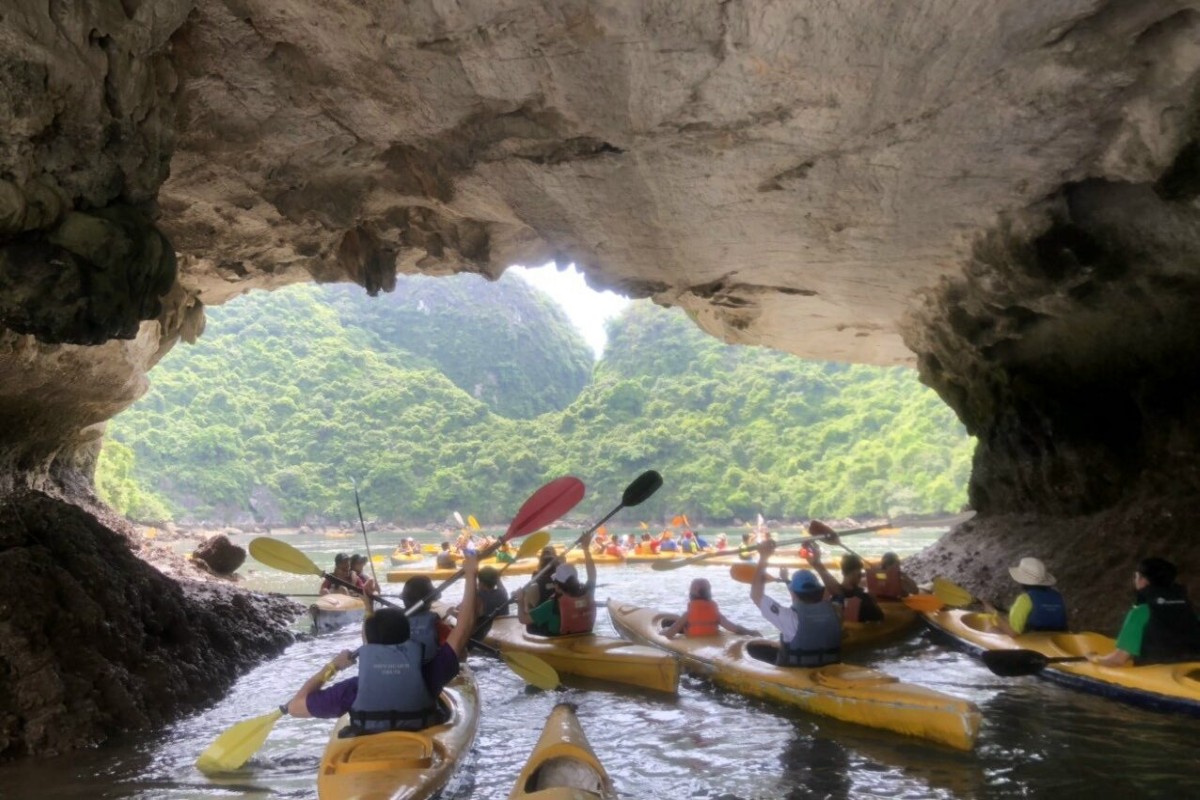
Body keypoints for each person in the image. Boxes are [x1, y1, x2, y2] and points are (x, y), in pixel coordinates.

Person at [284, 555, 478, 733]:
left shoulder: (354, 689)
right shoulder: (432, 674)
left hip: (367, 751)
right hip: (420, 748)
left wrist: (333, 667)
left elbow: (294, 706)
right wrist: (471, 575)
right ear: (408, 638)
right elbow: (463, 628)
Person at [1091, 557, 1200, 666]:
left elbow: (1117, 660)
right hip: (1192, 672)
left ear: (1143, 581)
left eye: (1136, 576)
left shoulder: (1141, 613)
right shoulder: (1191, 609)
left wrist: (1095, 659)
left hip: (1157, 675)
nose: (1135, 580)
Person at [751, 540, 842, 666]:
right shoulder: (836, 610)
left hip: (798, 672)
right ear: (820, 591)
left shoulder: (790, 618)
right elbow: (838, 592)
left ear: (793, 593)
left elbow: (756, 595)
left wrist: (763, 558)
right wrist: (817, 564)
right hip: (830, 670)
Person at [519, 534, 597, 636]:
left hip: (561, 644)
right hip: (585, 638)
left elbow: (523, 619)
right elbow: (592, 575)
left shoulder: (552, 605)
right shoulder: (588, 592)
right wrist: (586, 549)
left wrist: (520, 601)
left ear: (558, 587)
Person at [983, 557, 1068, 636]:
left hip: (1031, 642)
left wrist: (992, 613)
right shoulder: (1058, 597)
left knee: (991, 629)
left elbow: (1012, 632)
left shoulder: (1025, 599)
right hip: (1055, 640)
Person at [662, 578, 760, 638]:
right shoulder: (715, 614)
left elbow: (670, 634)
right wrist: (751, 632)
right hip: (712, 640)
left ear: (692, 593)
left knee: (665, 629)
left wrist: (664, 631)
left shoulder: (688, 614)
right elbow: (733, 628)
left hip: (692, 644)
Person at [808, 548, 885, 623]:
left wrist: (818, 565)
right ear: (858, 574)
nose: (860, 577)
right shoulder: (863, 598)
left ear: (843, 573)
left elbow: (839, 591)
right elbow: (880, 618)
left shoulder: (831, 594)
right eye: (860, 574)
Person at [401, 576, 448, 663]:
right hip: (430, 670)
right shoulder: (438, 624)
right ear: (432, 598)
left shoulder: (391, 620)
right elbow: (461, 655)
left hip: (402, 669)